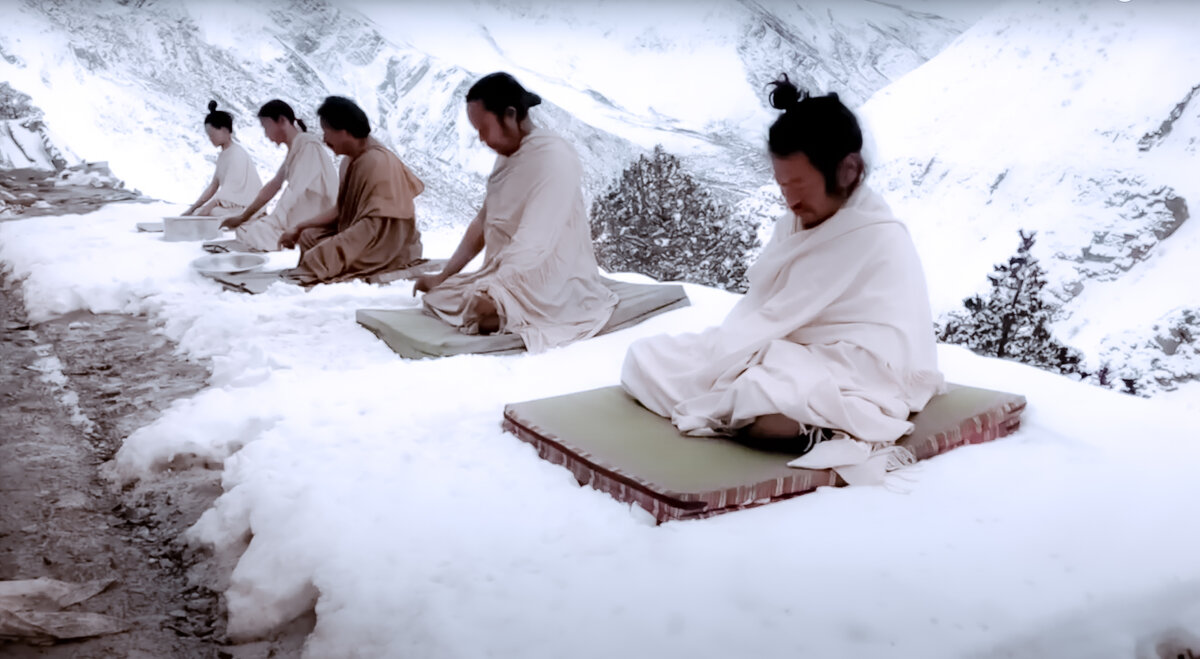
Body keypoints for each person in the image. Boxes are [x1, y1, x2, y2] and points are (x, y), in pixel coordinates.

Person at [621, 74, 944, 475]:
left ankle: (804, 421)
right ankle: (766, 407)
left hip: (858, 366)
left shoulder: (875, 234)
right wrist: (734, 357)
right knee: (644, 357)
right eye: (782, 184)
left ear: (848, 170)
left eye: (800, 185)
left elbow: (887, 348)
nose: (790, 199)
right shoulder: (793, 221)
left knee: (763, 398)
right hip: (785, 353)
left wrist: (742, 361)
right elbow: (767, 313)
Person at [413, 72, 617, 353]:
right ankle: (496, 304)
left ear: (510, 115)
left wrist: (497, 289)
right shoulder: (508, 157)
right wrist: (445, 275)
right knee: (441, 297)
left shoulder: (554, 156)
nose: (481, 139)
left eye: (484, 128)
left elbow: (536, 238)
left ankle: (502, 307)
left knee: (480, 309)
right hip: (507, 273)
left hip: (552, 277)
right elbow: (484, 221)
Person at [278, 96, 425, 285]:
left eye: (327, 132)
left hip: (386, 246)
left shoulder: (376, 162)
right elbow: (341, 210)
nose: (324, 139)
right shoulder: (350, 161)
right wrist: (300, 227)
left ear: (344, 131)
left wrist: (331, 250)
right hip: (363, 234)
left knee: (319, 256)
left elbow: (375, 227)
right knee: (309, 238)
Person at [218, 100, 338, 251]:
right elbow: (274, 185)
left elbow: (296, 190)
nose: (266, 134)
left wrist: (276, 221)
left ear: (282, 121)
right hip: (300, 217)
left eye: (266, 127)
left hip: (315, 219)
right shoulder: (296, 148)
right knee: (246, 229)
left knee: (256, 232)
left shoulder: (307, 145)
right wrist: (243, 217)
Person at [183, 101, 262, 216]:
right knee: (198, 212)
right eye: (209, 136)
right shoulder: (223, 155)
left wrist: (209, 207)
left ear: (225, 130)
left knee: (213, 212)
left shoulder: (237, 153)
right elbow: (213, 186)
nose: (211, 139)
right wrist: (192, 208)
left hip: (247, 208)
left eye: (212, 135)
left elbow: (231, 189)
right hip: (233, 206)